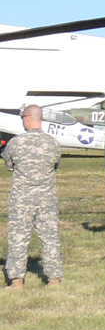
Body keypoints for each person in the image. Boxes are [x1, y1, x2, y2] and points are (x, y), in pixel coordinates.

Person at [3, 104, 63, 289]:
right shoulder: (53, 143)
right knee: (50, 238)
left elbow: (9, 164)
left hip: (22, 200)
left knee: (18, 238)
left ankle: (17, 281)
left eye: (23, 118)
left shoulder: (16, 142)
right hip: (46, 199)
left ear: (28, 118)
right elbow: (55, 165)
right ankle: (53, 280)